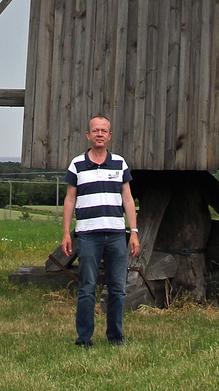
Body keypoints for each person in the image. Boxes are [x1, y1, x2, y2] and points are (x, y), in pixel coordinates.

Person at [61, 115, 139, 346]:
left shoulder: (119, 163)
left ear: (109, 136)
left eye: (104, 131)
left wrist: (133, 231)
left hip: (115, 234)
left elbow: (128, 199)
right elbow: (69, 199)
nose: (99, 134)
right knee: (87, 287)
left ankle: (115, 337)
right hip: (88, 235)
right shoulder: (77, 164)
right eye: (95, 130)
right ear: (88, 135)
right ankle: (84, 338)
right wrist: (66, 233)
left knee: (118, 288)